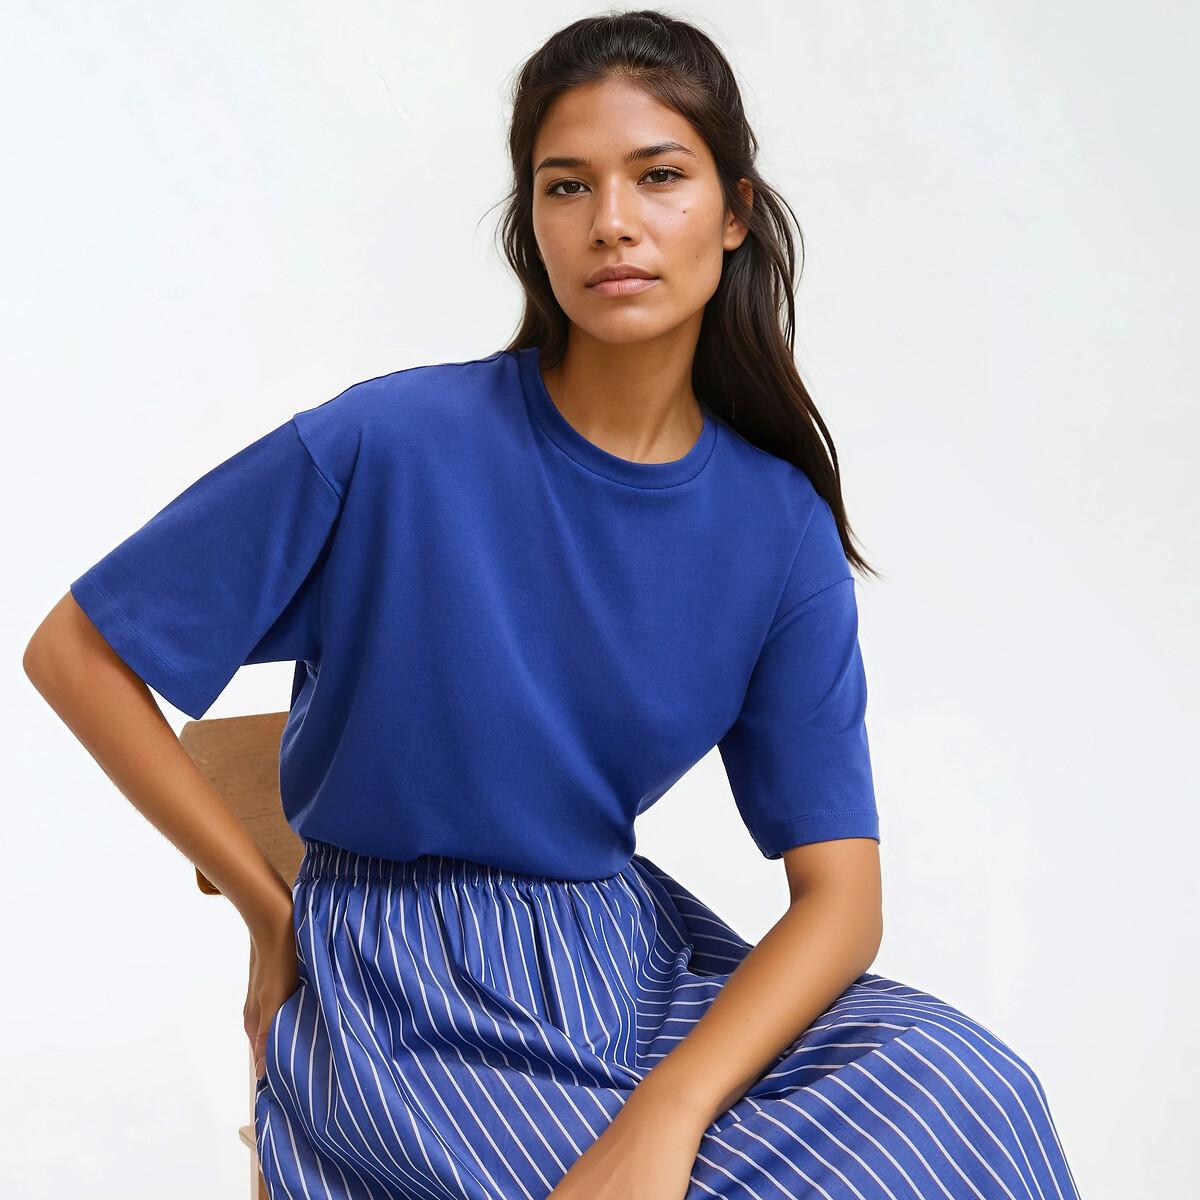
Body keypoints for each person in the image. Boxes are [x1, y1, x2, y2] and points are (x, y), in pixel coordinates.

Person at [25, 11, 1081, 1200]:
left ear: (735, 211)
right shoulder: (395, 444)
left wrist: (672, 1106)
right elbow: (76, 652)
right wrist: (275, 922)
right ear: (531, 221)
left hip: (627, 963)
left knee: (974, 1090)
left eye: (659, 176)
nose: (611, 221)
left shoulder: (776, 527)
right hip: (400, 998)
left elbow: (840, 897)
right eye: (566, 186)